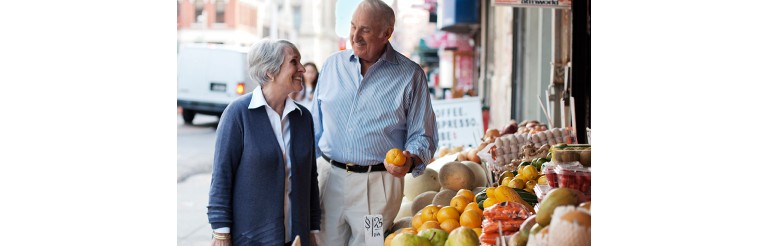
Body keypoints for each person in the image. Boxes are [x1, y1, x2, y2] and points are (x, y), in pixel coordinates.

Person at [310, 0, 438, 245]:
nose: (355, 36)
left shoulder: (410, 75)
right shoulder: (331, 66)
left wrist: (410, 160)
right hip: (329, 181)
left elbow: (423, 135)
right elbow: (315, 126)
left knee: (371, 242)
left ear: (386, 33)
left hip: (377, 188)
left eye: (365, 30)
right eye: (353, 26)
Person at [207, 38, 321, 246]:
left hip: (296, 238)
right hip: (251, 238)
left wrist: (312, 230)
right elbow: (222, 176)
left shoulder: (303, 118)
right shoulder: (237, 114)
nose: (302, 69)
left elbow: (310, 179)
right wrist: (221, 232)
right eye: (294, 62)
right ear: (270, 71)